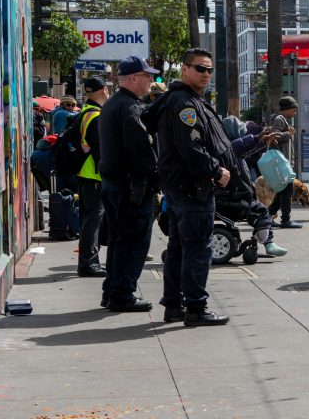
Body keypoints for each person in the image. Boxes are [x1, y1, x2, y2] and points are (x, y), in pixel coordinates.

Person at [144, 48, 231, 326]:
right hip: (192, 187)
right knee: (197, 248)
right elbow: (191, 147)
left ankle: (173, 305)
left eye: (208, 69)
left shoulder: (183, 99)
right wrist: (216, 171)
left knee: (180, 247)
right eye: (199, 68)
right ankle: (196, 308)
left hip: (180, 186)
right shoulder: (185, 104)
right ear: (184, 69)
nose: (205, 74)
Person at [97, 59, 158, 312]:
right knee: (133, 242)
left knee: (120, 240)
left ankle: (113, 291)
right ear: (133, 78)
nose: (151, 81)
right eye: (147, 76)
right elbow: (141, 152)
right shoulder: (129, 108)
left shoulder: (114, 105)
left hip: (116, 184)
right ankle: (122, 294)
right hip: (130, 188)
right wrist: (157, 180)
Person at [219, 116, 287, 257]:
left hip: (233, 196)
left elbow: (247, 149)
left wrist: (262, 141)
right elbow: (241, 146)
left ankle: (266, 240)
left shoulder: (230, 151)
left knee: (258, 210)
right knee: (261, 211)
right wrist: (257, 139)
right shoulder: (228, 149)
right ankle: (267, 242)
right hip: (231, 199)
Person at [76, 76, 110, 278]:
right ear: (103, 90)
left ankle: (89, 261)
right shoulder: (95, 115)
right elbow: (101, 149)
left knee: (90, 218)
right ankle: (89, 263)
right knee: (92, 220)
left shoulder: (86, 112)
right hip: (94, 174)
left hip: (86, 173)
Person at [268, 96, 303, 229]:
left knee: (283, 191)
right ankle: (285, 219)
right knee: (287, 191)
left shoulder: (282, 119)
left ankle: (268, 215)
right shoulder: (279, 119)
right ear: (287, 109)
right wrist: (288, 133)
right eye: (293, 110)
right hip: (282, 162)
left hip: (283, 162)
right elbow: (274, 135)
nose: (294, 113)